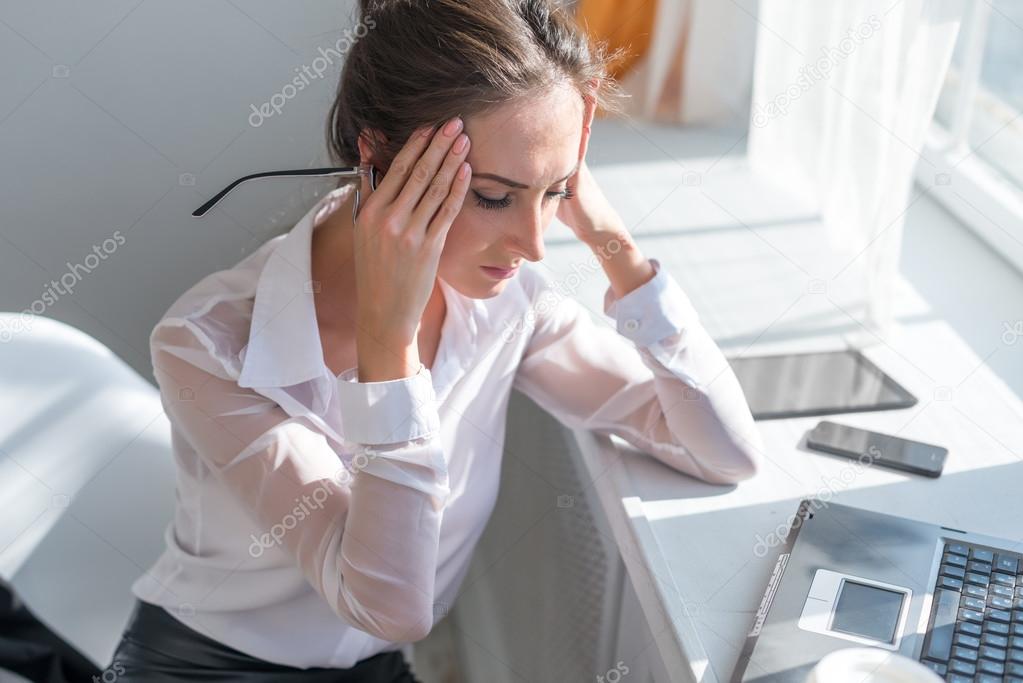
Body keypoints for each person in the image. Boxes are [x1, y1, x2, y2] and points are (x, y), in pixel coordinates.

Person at [107, 0, 764, 679]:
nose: (533, 244)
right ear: (378, 160)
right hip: (203, 666)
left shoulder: (509, 302)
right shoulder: (208, 342)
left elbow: (721, 452)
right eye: (491, 196)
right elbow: (386, 603)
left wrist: (612, 242)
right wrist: (388, 347)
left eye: (554, 190)